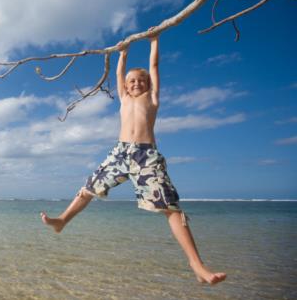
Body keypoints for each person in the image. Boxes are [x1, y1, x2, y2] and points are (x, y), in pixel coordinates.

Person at [41, 28, 227, 285]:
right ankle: (62, 220)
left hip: (146, 156)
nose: (136, 83)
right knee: (87, 189)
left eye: (141, 80)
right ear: (126, 87)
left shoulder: (152, 99)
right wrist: (123, 53)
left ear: (148, 84)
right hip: (120, 152)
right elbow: (118, 73)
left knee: (171, 208)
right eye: (132, 81)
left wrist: (154, 42)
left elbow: (154, 66)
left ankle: (197, 265)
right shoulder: (124, 100)